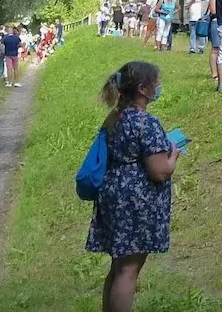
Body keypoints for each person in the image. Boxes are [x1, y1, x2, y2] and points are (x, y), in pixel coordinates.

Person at [87, 61, 179, 312]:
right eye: (155, 84)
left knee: (118, 267)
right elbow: (159, 171)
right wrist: (173, 155)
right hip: (135, 202)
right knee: (128, 271)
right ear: (142, 89)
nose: (158, 88)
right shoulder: (145, 122)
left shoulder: (115, 117)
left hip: (114, 194)